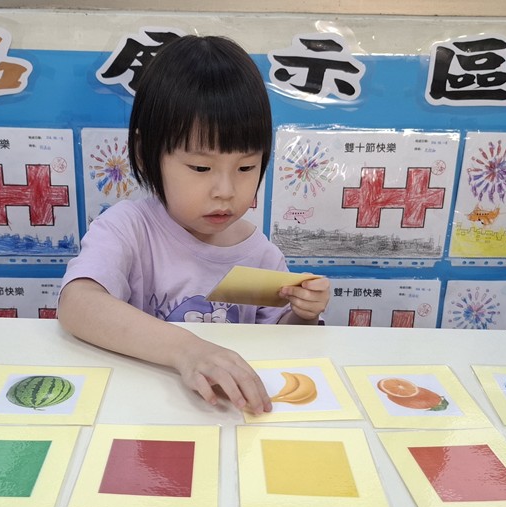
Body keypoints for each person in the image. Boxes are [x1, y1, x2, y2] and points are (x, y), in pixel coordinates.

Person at [58, 35, 330, 414]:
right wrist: (186, 349)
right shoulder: (128, 228)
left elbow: (282, 349)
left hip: (227, 417)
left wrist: (303, 314)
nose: (225, 191)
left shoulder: (261, 255)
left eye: (246, 167)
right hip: (141, 413)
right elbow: (77, 304)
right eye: (201, 168)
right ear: (145, 154)